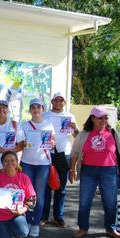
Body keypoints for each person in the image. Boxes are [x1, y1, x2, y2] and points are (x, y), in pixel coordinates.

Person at [69, 106, 120, 238]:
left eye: (105, 118)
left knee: (110, 202)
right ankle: (83, 228)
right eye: (100, 118)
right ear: (92, 118)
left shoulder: (113, 133)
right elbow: (75, 153)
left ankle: (110, 229)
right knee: (84, 202)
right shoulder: (84, 134)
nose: (103, 120)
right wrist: (72, 169)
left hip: (109, 171)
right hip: (88, 171)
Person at [41, 92, 79, 228]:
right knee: (45, 187)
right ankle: (43, 216)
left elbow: (77, 136)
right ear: (51, 101)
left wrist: (75, 129)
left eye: (61, 100)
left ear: (64, 102)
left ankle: (59, 217)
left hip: (64, 154)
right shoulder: (44, 115)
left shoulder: (69, 116)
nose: (58, 102)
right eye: (55, 100)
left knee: (61, 188)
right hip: (47, 154)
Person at [20, 98, 55, 238]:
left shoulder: (49, 125)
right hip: (27, 162)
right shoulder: (24, 125)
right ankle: (27, 221)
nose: (36, 110)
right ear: (30, 110)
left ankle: (36, 224)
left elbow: (53, 142)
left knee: (39, 195)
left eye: (38, 107)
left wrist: (52, 143)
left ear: (43, 109)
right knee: (28, 194)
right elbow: (21, 143)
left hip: (43, 164)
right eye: (33, 107)